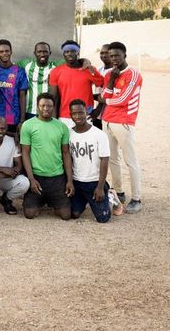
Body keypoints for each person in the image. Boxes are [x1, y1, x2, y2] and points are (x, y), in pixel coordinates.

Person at [102, 41, 144, 213]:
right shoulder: (110, 74)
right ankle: (119, 192)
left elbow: (122, 100)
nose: (114, 59)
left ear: (125, 55)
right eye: (111, 56)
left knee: (130, 161)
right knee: (112, 159)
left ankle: (137, 198)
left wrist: (106, 100)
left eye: (117, 55)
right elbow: (105, 93)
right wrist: (112, 79)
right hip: (107, 120)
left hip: (124, 122)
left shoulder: (133, 74)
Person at [20, 93, 74, 220]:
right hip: (37, 177)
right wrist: (31, 179)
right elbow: (25, 153)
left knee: (66, 216)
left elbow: (66, 153)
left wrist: (70, 180)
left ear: (54, 107)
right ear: (37, 107)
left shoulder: (62, 126)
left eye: (49, 106)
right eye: (42, 105)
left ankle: (52, 201)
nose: (46, 109)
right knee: (29, 214)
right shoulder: (28, 125)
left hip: (57, 177)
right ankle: (40, 201)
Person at [68, 99, 111, 223]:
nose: (78, 116)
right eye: (74, 113)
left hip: (94, 182)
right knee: (73, 214)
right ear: (70, 115)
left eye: (81, 113)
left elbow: (104, 160)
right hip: (77, 182)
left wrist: (100, 187)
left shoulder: (99, 134)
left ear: (86, 112)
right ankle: (85, 199)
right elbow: (69, 159)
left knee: (103, 218)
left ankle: (110, 196)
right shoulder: (70, 134)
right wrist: (70, 181)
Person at [49, 40, 104, 128]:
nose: (70, 54)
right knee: (65, 142)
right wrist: (54, 120)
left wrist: (98, 109)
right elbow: (53, 98)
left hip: (85, 116)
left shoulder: (88, 69)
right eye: (67, 51)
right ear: (63, 54)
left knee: (86, 142)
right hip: (64, 117)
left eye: (73, 51)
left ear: (77, 52)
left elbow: (104, 86)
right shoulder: (56, 72)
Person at [0, 39, 28, 133]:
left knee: (13, 145)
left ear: (11, 51)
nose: (4, 54)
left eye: (7, 51)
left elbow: (22, 96)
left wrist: (22, 120)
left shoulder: (20, 71)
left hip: (13, 118)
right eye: (1, 51)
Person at [18, 42, 61, 120]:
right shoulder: (27, 65)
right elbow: (9, 64)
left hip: (48, 111)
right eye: (39, 52)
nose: (42, 54)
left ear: (50, 53)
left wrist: (83, 60)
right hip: (30, 110)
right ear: (35, 53)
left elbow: (72, 63)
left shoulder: (55, 67)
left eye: (45, 52)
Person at [90, 44, 113, 130]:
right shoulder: (99, 69)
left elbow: (108, 93)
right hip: (97, 113)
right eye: (102, 53)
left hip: (107, 112)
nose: (103, 55)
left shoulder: (114, 72)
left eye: (107, 53)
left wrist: (98, 109)